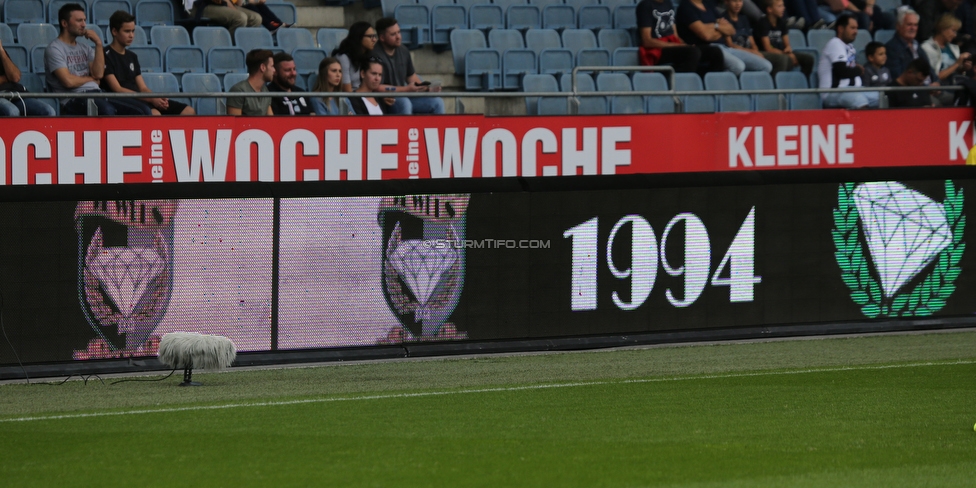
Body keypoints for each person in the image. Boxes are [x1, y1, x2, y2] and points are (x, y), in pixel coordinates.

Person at [46, 3, 150, 115]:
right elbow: (68, 82)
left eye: (84, 20)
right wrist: (90, 79)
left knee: (143, 110)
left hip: (98, 93)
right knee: (107, 110)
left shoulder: (85, 48)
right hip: (73, 98)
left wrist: (99, 43)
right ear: (64, 23)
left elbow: (98, 74)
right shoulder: (54, 48)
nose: (83, 24)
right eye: (79, 20)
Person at [101, 11, 194, 116]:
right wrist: (151, 99)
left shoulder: (132, 56)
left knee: (188, 111)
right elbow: (117, 89)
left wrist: (156, 98)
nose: (131, 35)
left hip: (141, 97)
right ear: (114, 31)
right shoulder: (105, 55)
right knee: (155, 114)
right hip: (125, 100)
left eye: (133, 31)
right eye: (127, 31)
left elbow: (143, 88)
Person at [372, 17, 444, 115]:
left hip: (404, 94)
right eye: (393, 34)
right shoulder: (374, 55)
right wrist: (405, 89)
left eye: (399, 32)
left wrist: (427, 88)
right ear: (382, 38)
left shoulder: (403, 50)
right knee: (405, 103)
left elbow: (411, 77)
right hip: (385, 98)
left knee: (437, 103)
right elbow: (377, 87)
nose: (398, 37)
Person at [677, 0, 770, 75]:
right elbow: (706, 36)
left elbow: (731, 30)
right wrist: (718, 26)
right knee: (737, 66)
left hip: (725, 47)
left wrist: (712, 27)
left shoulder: (708, 4)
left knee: (765, 66)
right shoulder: (686, 7)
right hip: (707, 48)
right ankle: (714, 87)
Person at [818, 14, 880, 108]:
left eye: (856, 28)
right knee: (858, 100)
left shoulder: (849, 47)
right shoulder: (835, 43)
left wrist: (856, 70)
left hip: (853, 90)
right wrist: (858, 70)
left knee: (882, 97)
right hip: (834, 92)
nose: (856, 32)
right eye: (852, 28)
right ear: (841, 29)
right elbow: (842, 71)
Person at [636, 0, 705, 73]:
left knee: (714, 52)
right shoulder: (645, 5)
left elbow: (675, 35)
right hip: (657, 50)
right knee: (693, 53)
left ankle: (703, 80)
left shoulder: (668, 3)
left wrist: (686, 45)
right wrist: (675, 46)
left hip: (672, 45)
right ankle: (680, 81)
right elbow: (646, 41)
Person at [0, 32, 55, 116]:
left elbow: (15, 77)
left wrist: (1, 50)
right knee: (12, 111)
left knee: (48, 111)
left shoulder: (1, 53)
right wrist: (6, 78)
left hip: (13, 92)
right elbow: (9, 77)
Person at [756, 0, 815, 75]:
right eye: (779, 6)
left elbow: (787, 44)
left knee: (808, 59)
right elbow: (768, 48)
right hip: (766, 54)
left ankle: (803, 81)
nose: (783, 8)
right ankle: (776, 81)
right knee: (784, 59)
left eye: (783, 5)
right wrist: (787, 55)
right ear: (769, 9)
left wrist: (788, 50)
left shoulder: (781, 22)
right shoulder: (763, 23)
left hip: (782, 52)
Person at [724, 0, 783, 73]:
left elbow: (752, 43)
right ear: (726, 2)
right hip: (736, 52)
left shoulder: (744, 18)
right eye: (735, 1)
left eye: (740, 1)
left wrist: (755, 51)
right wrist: (752, 52)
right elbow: (730, 45)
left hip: (749, 52)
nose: (738, 4)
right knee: (773, 63)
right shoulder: (724, 18)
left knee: (772, 62)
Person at [333, 21, 378, 92]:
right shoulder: (343, 58)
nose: (374, 40)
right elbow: (348, 91)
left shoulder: (367, 56)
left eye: (374, 36)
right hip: (350, 99)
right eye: (370, 36)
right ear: (359, 37)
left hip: (362, 95)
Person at [884, 7, 929, 79]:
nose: (913, 28)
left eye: (915, 25)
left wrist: (936, 82)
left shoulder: (917, 46)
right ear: (898, 26)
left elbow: (929, 69)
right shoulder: (891, 48)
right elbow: (898, 77)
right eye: (909, 24)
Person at [226, 49, 274, 115]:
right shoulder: (238, 91)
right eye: (272, 66)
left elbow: (271, 121)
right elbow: (234, 123)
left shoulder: (265, 91)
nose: (274, 70)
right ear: (263, 67)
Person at [190, 0, 261, 36]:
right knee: (240, 17)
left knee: (256, 18)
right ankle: (230, 46)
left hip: (224, 4)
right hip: (203, 5)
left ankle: (247, 48)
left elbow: (239, 3)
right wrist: (233, 9)